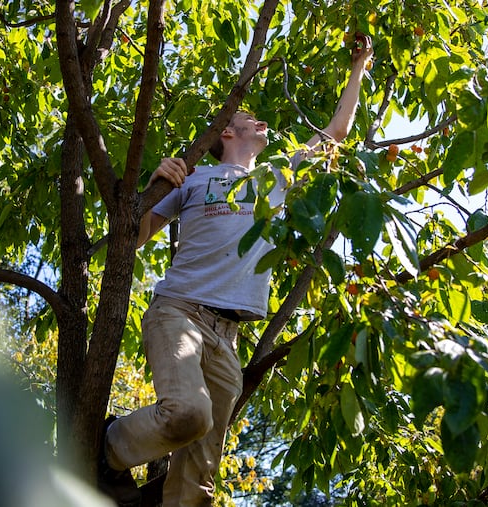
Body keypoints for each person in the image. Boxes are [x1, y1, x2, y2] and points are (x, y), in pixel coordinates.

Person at [99, 35, 374, 506]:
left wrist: (360, 68)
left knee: (198, 490)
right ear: (226, 131)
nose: (261, 120)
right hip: (180, 313)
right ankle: (108, 449)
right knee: (188, 414)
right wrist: (152, 183)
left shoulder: (276, 180)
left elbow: (334, 135)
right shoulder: (196, 177)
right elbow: (138, 236)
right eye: (249, 117)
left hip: (229, 339)